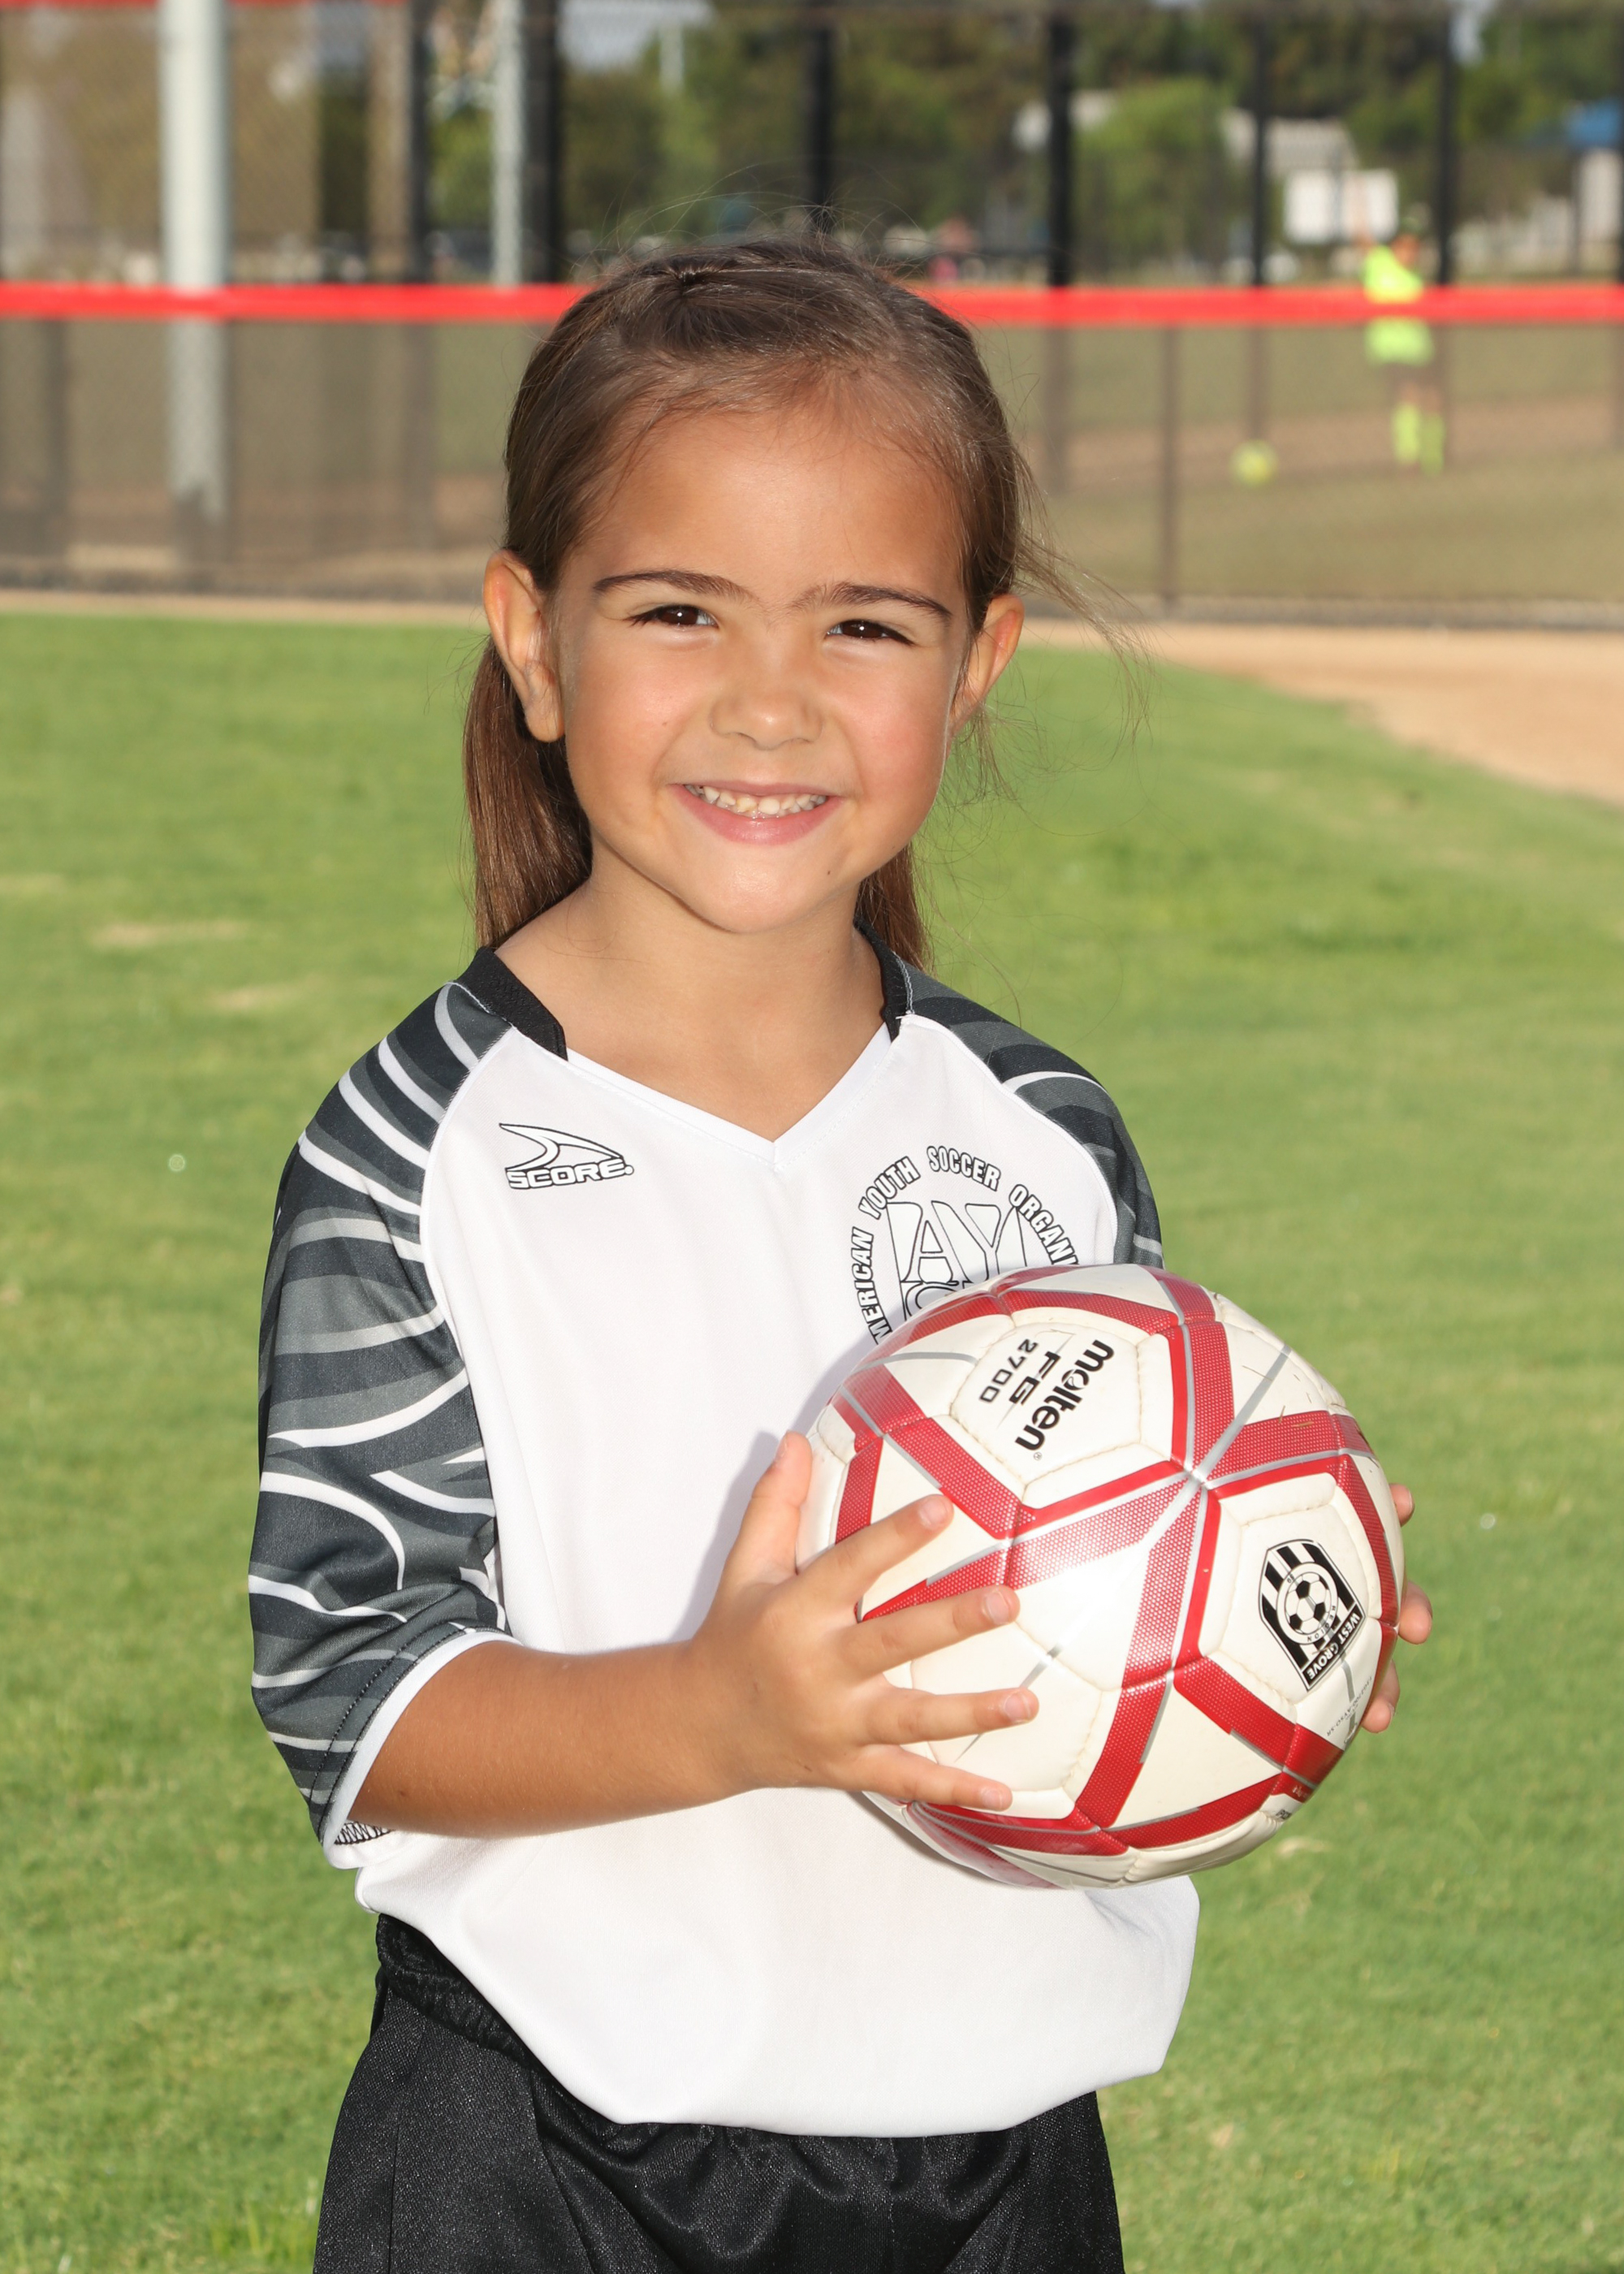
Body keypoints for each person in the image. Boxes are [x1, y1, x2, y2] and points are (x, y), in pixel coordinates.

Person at [250, 240, 1431, 2272]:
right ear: (534, 642)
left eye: (863, 623)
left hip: (1000, 2164)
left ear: (974, 665)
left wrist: (1260, 1605)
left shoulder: (1036, 1129)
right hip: (550, 2158)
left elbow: (1128, 1527)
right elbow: (348, 1693)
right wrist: (720, 1711)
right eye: (678, 610)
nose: (770, 700)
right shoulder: (413, 1152)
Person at [1362, 227, 1445, 475]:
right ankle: (1409, 457)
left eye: (1413, 248)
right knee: (1408, 395)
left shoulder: (1416, 277)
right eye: (1404, 247)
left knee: (1433, 399)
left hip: (1419, 348)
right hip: (1393, 349)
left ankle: (1434, 458)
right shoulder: (1380, 264)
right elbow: (1362, 236)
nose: (1409, 253)